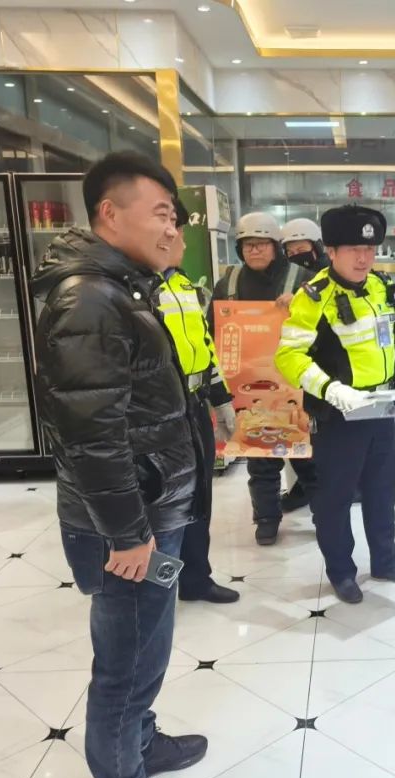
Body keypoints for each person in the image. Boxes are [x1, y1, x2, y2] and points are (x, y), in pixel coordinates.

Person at [32, 152, 207, 778]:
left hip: (145, 509)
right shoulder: (90, 300)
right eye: (162, 214)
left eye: (176, 218)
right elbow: (90, 435)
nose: (173, 229)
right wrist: (128, 534)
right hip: (125, 525)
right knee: (126, 664)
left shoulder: (122, 288)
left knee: (145, 648)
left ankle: (140, 742)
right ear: (109, 212)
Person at [274, 205, 395, 604]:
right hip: (338, 414)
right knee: (335, 498)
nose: (363, 258)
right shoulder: (313, 298)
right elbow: (288, 356)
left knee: (381, 491)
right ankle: (342, 572)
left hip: (380, 407)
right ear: (332, 251)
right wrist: (331, 390)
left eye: (370, 250)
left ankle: (386, 561)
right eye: (354, 249)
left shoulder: (381, 286)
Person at [212, 212, 318, 545]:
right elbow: (211, 332)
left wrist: (302, 304)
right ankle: (266, 519)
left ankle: (327, 515)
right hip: (249, 390)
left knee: (308, 457)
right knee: (259, 458)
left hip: (297, 387)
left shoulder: (303, 279)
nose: (254, 250)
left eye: (261, 244)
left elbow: (326, 324)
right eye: (248, 245)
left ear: (275, 246)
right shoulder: (227, 284)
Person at [155, 198, 239, 605]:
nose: (182, 241)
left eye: (180, 229)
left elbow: (206, 348)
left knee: (198, 497)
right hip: (156, 415)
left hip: (192, 407)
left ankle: (195, 579)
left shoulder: (184, 286)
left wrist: (220, 400)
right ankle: (157, 588)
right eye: (173, 228)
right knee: (162, 503)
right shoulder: (133, 288)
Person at [280, 217, 330, 512]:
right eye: (290, 250)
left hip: (328, 365)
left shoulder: (329, 273)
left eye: (301, 249)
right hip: (299, 363)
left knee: (327, 435)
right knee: (298, 429)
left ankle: (334, 488)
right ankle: (305, 486)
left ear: (317, 246)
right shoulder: (289, 275)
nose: (296, 254)